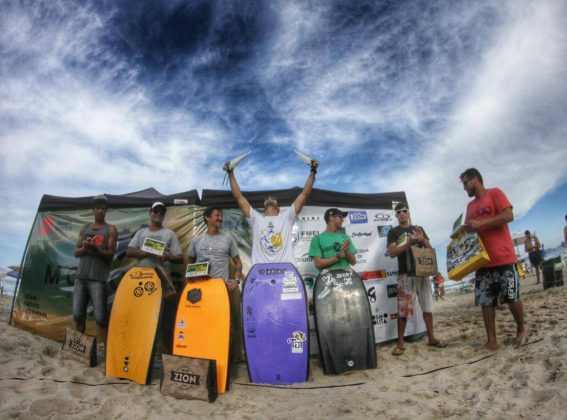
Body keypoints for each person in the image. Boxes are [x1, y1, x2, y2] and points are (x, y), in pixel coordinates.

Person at [459, 168, 527, 350]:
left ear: (475, 180)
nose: (464, 188)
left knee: (512, 297)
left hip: (503, 257)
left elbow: (508, 215)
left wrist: (481, 223)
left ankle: (521, 329)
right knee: (485, 302)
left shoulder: (495, 193)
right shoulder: (469, 207)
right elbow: (469, 230)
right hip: (481, 261)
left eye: (465, 183)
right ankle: (491, 340)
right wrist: (460, 233)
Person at [226, 161, 317, 264]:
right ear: (263, 205)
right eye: (267, 198)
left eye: (273, 198)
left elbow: (304, 194)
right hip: (260, 272)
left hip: (284, 271)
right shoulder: (256, 219)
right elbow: (238, 197)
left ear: (278, 208)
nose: (269, 198)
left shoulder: (287, 217)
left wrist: (313, 171)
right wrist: (230, 174)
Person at [387, 202, 446, 356]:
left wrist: (422, 239)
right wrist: (410, 242)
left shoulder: (418, 228)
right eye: (398, 212)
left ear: (408, 212)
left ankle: (432, 338)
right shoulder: (393, 232)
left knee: (427, 308)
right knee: (403, 311)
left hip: (422, 273)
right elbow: (393, 252)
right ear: (396, 215)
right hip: (405, 275)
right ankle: (400, 344)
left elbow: (429, 248)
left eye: (404, 211)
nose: (401, 214)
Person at [187, 206, 244, 363]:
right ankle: (204, 355)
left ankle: (231, 358)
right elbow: (189, 263)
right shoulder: (196, 241)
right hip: (202, 291)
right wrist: (191, 277)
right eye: (217, 215)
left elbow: (238, 263)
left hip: (223, 289)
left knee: (229, 323)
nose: (220, 218)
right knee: (204, 324)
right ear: (207, 218)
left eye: (221, 216)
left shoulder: (228, 239)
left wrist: (236, 279)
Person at [126, 202, 183, 353]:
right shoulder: (141, 232)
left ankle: (164, 356)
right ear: (150, 212)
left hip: (162, 282)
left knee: (163, 321)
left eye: (161, 212)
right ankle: (141, 353)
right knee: (141, 319)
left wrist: (168, 257)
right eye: (156, 211)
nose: (158, 214)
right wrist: (144, 253)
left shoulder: (169, 234)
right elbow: (129, 251)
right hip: (141, 280)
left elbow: (180, 258)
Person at [73, 194, 117, 352]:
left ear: (106, 211)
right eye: (97, 208)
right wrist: (85, 247)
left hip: (98, 280)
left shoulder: (111, 229)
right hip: (81, 278)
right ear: (93, 210)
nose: (100, 211)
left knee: (100, 319)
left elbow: (111, 254)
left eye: (103, 209)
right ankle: (78, 349)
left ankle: (107, 353)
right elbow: (76, 253)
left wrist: (96, 249)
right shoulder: (85, 228)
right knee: (78, 316)